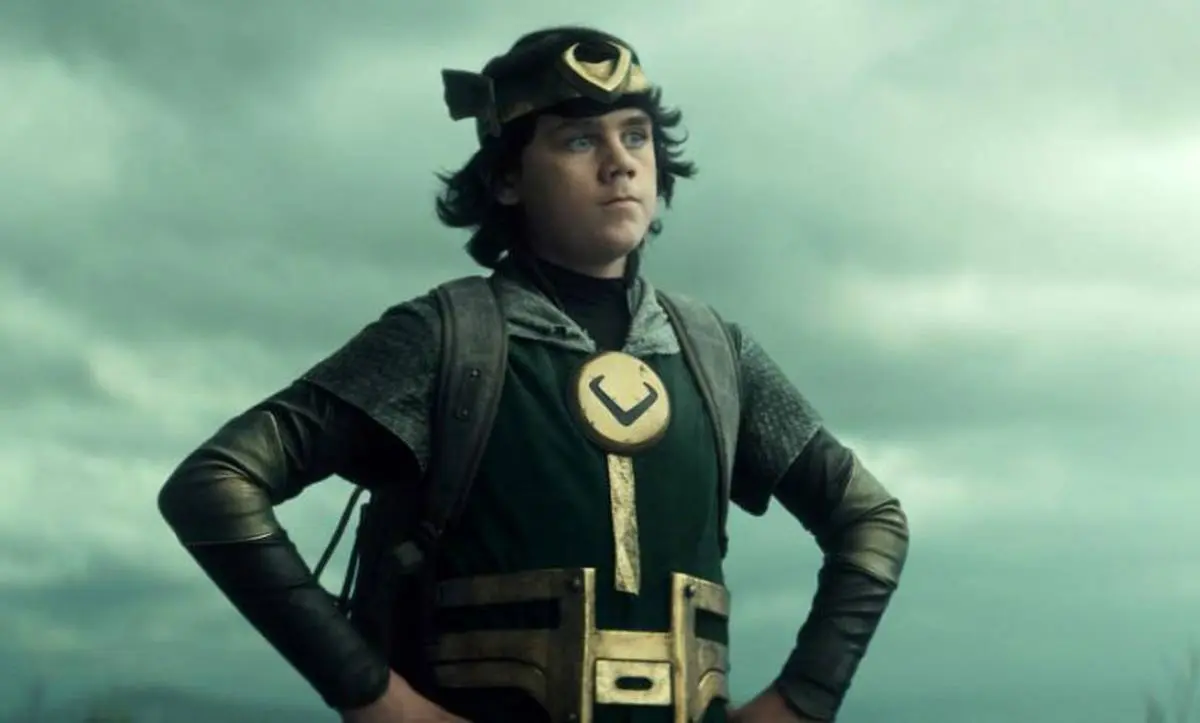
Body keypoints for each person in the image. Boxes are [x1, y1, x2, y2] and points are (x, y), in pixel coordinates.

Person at [157, 25, 909, 723]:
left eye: (635, 135)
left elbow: (871, 520)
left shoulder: (717, 353)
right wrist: (375, 696)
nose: (620, 161)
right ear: (508, 178)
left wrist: (803, 700)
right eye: (579, 139)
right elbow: (215, 485)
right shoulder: (444, 340)